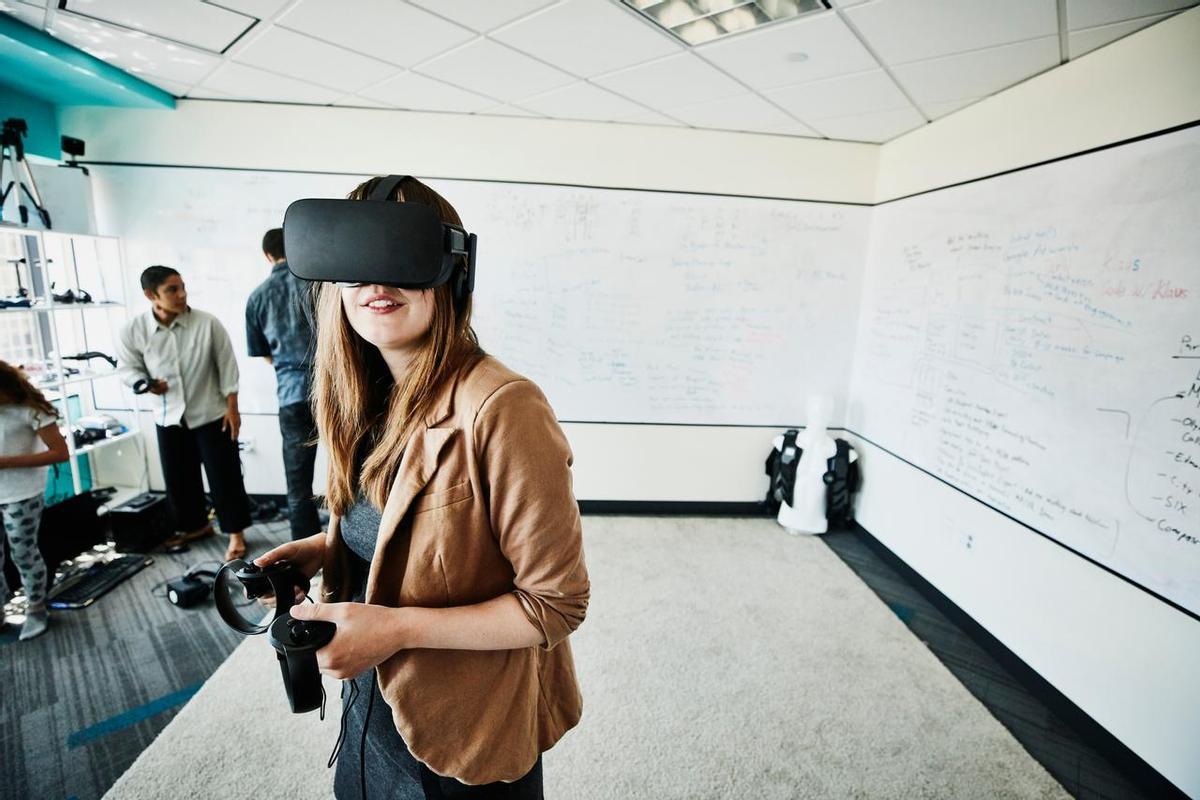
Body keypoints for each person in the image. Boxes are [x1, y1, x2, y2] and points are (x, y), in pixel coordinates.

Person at [255, 176, 589, 798]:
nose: (376, 281)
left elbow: (556, 602)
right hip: (370, 708)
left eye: (400, 255)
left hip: (464, 726)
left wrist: (396, 630)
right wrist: (326, 549)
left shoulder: (504, 407)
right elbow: (407, 534)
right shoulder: (361, 398)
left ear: (452, 271)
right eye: (356, 260)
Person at [116, 266, 253, 561]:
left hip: (212, 413)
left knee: (224, 477)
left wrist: (233, 409)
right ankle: (197, 526)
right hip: (168, 416)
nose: (182, 294)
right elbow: (127, 369)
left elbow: (227, 366)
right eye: (172, 290)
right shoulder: (133, 330)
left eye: (182, 287)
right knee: (179, 479)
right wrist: (145, 384)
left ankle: (235, 534)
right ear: (151, 295)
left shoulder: (207, 323)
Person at [245, 228, 321, 542]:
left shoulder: (257, 297)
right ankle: (355, 545)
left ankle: (305, 547)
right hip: (334, 390)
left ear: (268, 255)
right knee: (353, 471)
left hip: (292, 396)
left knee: (298, 481)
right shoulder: (319, 285)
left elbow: (263, 354)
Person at [0, 360, 69, 640]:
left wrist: (7, 462)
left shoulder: (31, 410)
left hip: (22, 493)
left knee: (23, 553)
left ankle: (37, 608)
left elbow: (60, 453)